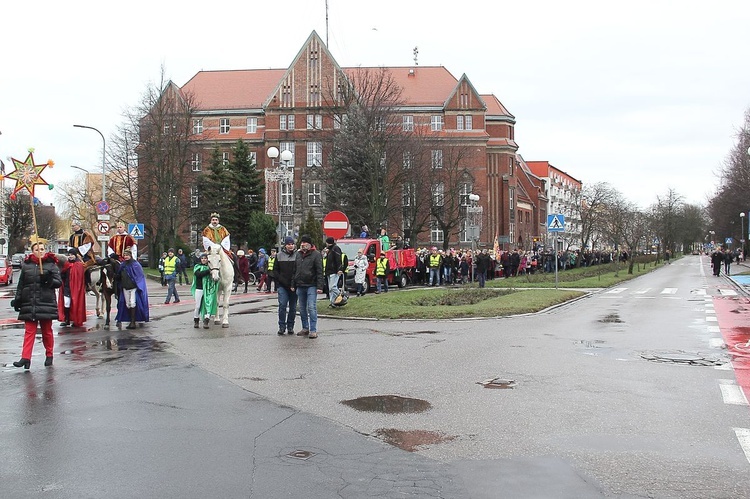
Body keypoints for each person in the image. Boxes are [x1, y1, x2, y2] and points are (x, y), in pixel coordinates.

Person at [11, 242, 62, 369]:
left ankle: (49, 354)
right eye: (37, 249)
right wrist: (18, 299)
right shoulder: (26, 266)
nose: (40, 251)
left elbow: (58, 282)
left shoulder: (51, 265)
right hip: (30, 302)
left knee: (47, 332)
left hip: (45, 302)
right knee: (29, 331)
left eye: (42, 249)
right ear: (32, 251)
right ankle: (25, 357)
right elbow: (21, 284)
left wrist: (48, 279)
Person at [293, 234, 323, 339]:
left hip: (312, 285)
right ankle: (305, 327)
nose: (302, 245)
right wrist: (293, 284)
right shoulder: (298, 254)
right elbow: (295, 270)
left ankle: (313, 330)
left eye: (304, 243)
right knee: (302, 308)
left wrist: (320, 286)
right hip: (300, 285)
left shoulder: (316, 254)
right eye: (301, 243)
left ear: (309, 244)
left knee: (311, 307)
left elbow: (320, 271)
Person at [115, 249, 150, 329]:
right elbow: (119, 275)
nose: (126, 257)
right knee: (127, 304)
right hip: (125, 287)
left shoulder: (135, 265)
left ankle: (133, 322)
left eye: (127, 255)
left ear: (130, 255)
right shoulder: (122, 265)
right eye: (124, 255)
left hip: (133, 287)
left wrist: (136, 284)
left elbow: (139, 276)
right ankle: (130, 320)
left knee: (132, 303)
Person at [202, 212, 240, 284]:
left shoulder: (223, 229)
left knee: (234, 258)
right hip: (210, 250)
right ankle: (201, 279)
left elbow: (226, 238)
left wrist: (221, 247)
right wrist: (213, 246)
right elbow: (205, 240)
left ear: (218, 221)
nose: (214, 221)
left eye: (216, 220)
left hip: (222, 248)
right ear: (211, 221)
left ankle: (236, 277)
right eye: (213, 220)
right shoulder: (207, 230)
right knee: (202, 259)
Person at [58, 248, 87, 327]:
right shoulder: (66, 264)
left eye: (72, 255)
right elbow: (62, 275)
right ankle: (66, 319)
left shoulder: (79, 265)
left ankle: (75, 320)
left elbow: (80, 278)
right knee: (66, 303)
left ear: (75, 255)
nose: (70, 256)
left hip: (76, 289)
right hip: (66, 288)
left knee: (75, 304)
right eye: (69, 255)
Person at [276, 236, 298, 335]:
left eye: (292, 244)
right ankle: (281, 326)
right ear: (285, 245)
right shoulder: (279, 256)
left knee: (293, 308)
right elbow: (275, 271)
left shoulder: (298, 256)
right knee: (282, 305)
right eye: (289, 244)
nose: (291, 246)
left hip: (294, 286)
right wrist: (280, 280)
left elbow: (299, 270)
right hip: (282, 285)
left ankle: (290, 326)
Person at [191, 253, 218, 329]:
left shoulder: (211, 268)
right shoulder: (197, 267)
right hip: (199, 288)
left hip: (208, 289)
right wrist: (208, 271)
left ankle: (206, 321)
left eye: (205, 258)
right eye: (202, 258)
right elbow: (198, 274)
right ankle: (196, 320)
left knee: (208, 305)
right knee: (198, 306)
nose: (204, 259)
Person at [324, 236, 344, 306]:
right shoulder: (330, 250)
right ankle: (333, 302)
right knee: (330, 288)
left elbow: (338, 260)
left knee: (333, 287)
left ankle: (341, 295)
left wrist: (339, 269)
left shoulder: (335, 248)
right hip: (329, 271)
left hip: (334, 271)